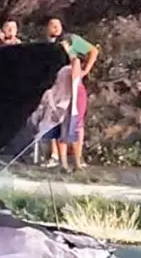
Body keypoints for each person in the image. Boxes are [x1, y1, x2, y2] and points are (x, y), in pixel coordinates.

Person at [41, 17, 99, 169]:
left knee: (75, 120)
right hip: (54, 85)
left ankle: (77, 158)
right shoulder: (44, 45)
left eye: (58, 25)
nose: (55, 28)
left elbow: (93, 51)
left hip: (71, 83)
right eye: (52, 25)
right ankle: (56, 157)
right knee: (55, 120)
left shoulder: (70, 40)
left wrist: (85, 70)